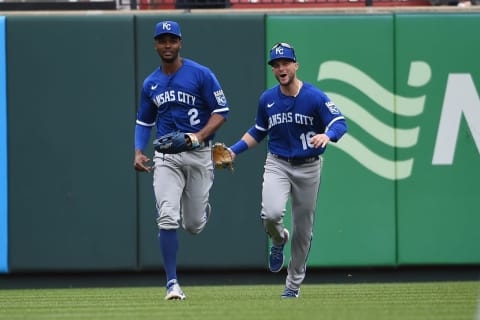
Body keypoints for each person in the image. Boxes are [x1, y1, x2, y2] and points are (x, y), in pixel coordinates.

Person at [229, 42, 347, 298]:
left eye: (285, 63)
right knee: (270, 215)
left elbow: (339, 122)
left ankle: (292, 286)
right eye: (276, 64)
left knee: (303, 231)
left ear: (296, 65)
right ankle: (279, 239)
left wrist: (328, 136)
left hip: (309, 167)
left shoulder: (314, 96)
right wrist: (234, 150)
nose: (281, 68)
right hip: (278, 163)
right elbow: (259, 131)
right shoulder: (268, 99)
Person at [133, 20, 229, 300]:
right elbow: (143, 120)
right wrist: (139, 150)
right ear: (155, 44)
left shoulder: (201, 74)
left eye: (171, 40)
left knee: (193, 225)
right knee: (166, 216)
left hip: (198, 153)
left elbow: (221, 111)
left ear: (180, 43)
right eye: (162, 40)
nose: (167, 45)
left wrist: (197, 137)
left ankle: (201, 211)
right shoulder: (151, 83)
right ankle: (172, 283)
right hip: (166, 157)